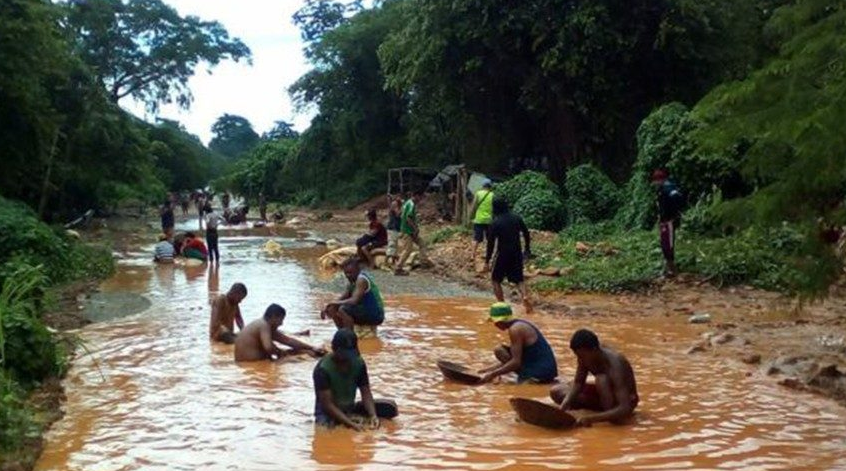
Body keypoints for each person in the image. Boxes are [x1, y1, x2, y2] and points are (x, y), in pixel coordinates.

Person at [550, 329, 639, 426]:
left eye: (582, 356)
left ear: (594, 350)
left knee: (602, 380)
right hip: (604, 396)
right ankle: (604, 413)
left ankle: (609, 414)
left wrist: (591, 419)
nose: (580, 359)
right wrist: (563, 407)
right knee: (557, 391)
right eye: (578, 356)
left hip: (624, 403)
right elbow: (578, 383)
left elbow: (624, 407)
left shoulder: (615, 364)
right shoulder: (585, 357)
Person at [313, 329, 396, 429]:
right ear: (335, 349)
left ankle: (353, 416)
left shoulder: (359, 364)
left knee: (390, 407)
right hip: (327, 413)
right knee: (324, 430)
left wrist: (373, 415)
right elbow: (327, 405)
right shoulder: (322, 370)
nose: (347, 359)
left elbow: (366, 392)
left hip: (349, 408)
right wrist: (351, 424)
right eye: (344, 354)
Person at [479, 303, 557, 384]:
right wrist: (488, 370)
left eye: (495, 322)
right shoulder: (519, 324)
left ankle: (530, 378)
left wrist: (493, 374)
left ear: (501, 320)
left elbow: (516, 362)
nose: (495, 325)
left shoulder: (515, 330)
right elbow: (514, 358)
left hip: (539, 372)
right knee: (499, 350)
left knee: (519, 388)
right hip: (542, 368)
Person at [484, 197, 533, 313]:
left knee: (495, 280)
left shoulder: (495, 222)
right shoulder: (517, 218)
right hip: (516, 253)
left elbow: (490, 243)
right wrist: (527, 249)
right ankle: (525, 296)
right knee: (519, 279)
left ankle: (502, 306)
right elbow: (526, 233)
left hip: (502, 253)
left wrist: (487, 260)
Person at [234, 304, 326, 361]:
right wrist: (281, 353)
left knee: (305, 352)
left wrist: (312, 347)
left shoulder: (265, 325)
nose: (281, 323)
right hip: (252, 363)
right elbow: (269, 347)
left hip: (253, 362)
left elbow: (288, 340)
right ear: (274, 317)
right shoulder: (264, 325)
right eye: (281, 320)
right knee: (303, 356)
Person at [321, 258, 385, 332]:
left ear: (358, 270)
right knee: (333, 308)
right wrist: (328, 306)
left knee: (343, 310)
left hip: (376, 315)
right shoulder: (352, 282)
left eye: (351, 273)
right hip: (364, 311)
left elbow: (354, 300)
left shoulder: (361, 280)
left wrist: (334, 303)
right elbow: (342, 298)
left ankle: (350, 335)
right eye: (346, 273)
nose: (348, 275)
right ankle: (341, 333)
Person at [652, 169, 685, 277]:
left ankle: (672, 269)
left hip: (669, 221)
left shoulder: (669, 188)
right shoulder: (661, 189)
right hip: (664, 221)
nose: (655, 183)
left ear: (661, 179)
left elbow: (678, 199)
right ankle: (668, 267)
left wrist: (673, 216)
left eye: (656, 181)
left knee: (668, 245)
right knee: (664, 243)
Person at [394, 190, 428, 276]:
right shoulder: (411, 204)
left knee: (422, 244)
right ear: (416, 196)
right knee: (408, 250)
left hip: (408, 230)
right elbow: (408, 218)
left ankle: (423, 262)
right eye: (420, 197)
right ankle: (398, 268)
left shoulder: (406, 203)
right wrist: (415, 228)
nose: (420, 199)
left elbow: (401, 215)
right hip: (408, 231)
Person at [471, 179, 495, 261]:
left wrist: (471, 216)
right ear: (490, 186)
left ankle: (473, 255)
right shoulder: (493, 195)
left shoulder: (478, 193)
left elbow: (473, 206)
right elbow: (494, 208)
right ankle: (487, 254)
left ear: (483, 186)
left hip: (479, 219)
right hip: (489, 220)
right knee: (489, 239)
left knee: (476, 238)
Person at [385, 194, 402, 266]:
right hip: (393, 228)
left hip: (395, 228)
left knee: (395, 245)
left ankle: (393, 261)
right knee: (392, 245)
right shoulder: (394, 206)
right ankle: (386, 261)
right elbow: (398, 214)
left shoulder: (395, 205)